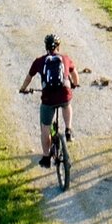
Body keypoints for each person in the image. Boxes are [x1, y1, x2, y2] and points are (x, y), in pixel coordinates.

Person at [18, 34, 78, 166]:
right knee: (67, 104)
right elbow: (74, 74)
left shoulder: (39, 61)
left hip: (48, 99)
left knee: (45, 128)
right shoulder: (65, 58)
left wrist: (23, 89)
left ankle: (46, 158)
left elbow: (29, 78)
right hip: (64, 94)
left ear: (45, 47)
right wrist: (75, 84)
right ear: (58, 46)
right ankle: (68, 130)